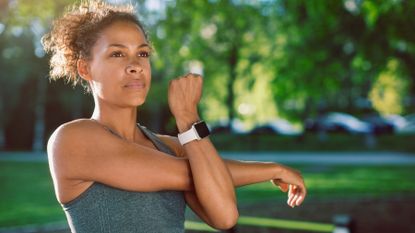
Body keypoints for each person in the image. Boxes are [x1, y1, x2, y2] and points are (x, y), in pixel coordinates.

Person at [42, 1, 306, 232]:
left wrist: (190, 125)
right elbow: (192, 174)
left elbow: (225, 216)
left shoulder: (170, 147)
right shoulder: (72, 140)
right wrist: (187, 116)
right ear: (85, 68)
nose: (135, 66)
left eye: (142, 53)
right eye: (117, 53)